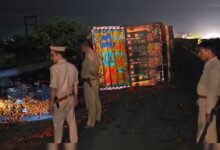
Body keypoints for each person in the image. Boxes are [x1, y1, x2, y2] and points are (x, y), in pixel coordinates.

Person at [49, 46, 79, 143]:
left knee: (58, 126)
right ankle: (74, 142)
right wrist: (76, 97)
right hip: (70, 98)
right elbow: (76, 84)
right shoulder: (73, 67)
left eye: (52, 55)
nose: (51, 58)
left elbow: (53, 88)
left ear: (58, 55)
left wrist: (51, 104)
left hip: (59, 101)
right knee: (72, 122)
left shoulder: (54, 68)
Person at [196, 40, 220, 145]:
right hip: (204, 101)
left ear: (209, 51)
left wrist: (209, 110)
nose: (199, 54)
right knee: (204, 128)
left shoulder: (214, 67)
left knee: (209, 131)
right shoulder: (209, 64)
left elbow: (213, 90)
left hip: (208, 103)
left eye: (201, 52)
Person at [80, 40, 101, 128]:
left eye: (81, 47)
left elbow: (92, 70)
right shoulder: (91, 54)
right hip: (92, 81)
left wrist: (91, 77)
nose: (81, 49)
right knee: (96, 100)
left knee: (90, 102)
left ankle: (90, 123)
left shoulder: (90, 55)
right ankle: (97, 118)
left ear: (85, 46)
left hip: (90, 82)